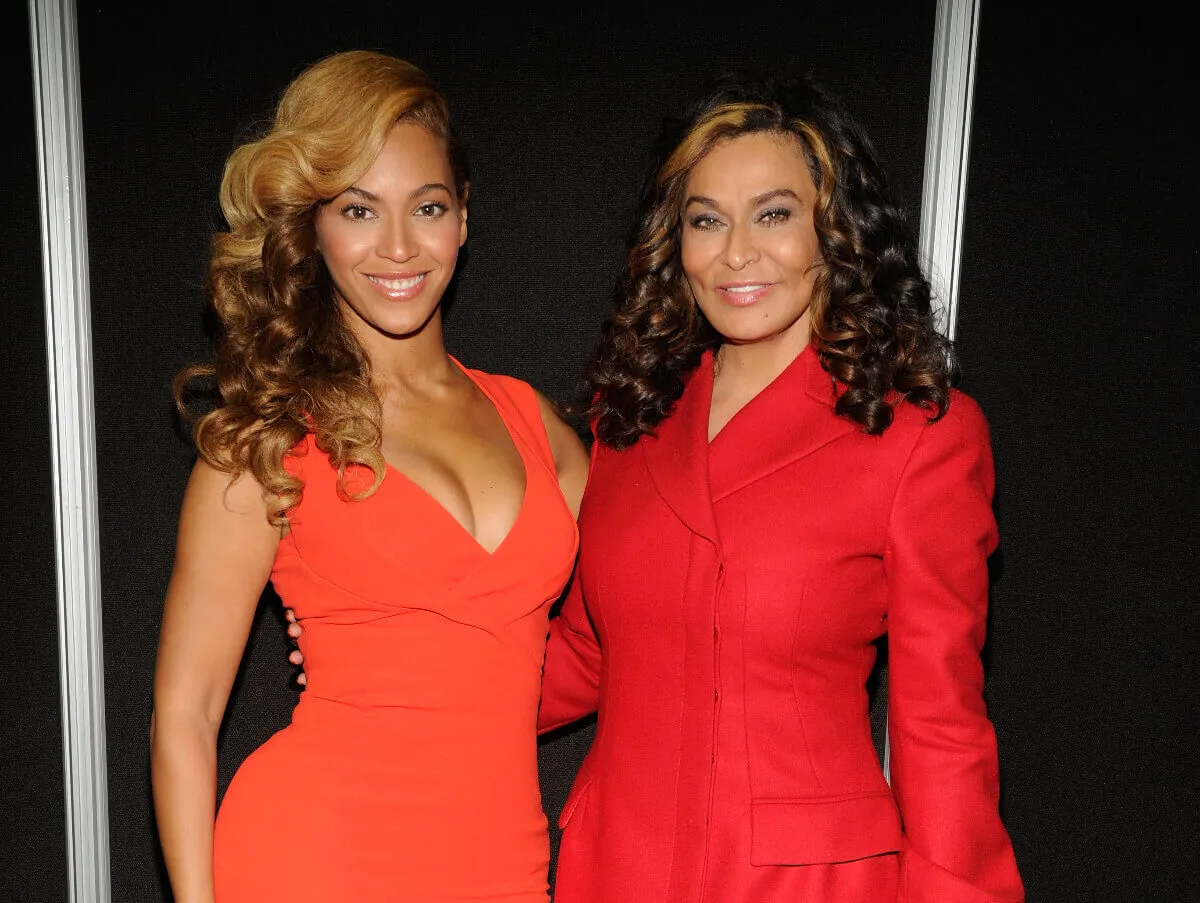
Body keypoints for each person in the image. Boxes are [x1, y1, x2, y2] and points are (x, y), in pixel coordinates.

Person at [534, 72, 1026, 902]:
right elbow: (587, 651)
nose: (736, 254)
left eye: (773, 214)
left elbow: (939, 725)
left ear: (835, 232)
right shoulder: (633, 419)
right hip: (614, 864)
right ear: (674, 243)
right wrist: (398, 679)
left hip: (805, 880)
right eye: (705, 220)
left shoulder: (917, 437)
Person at [150, 50, 587, 903]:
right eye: (358, 209)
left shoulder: (539, 426)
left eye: (427, 207)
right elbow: (185, 716)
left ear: (464, 218)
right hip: (314, 858)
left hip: (500, 863)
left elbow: (619, 628)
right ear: (311, 230)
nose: (397, 246)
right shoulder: (270, 441)